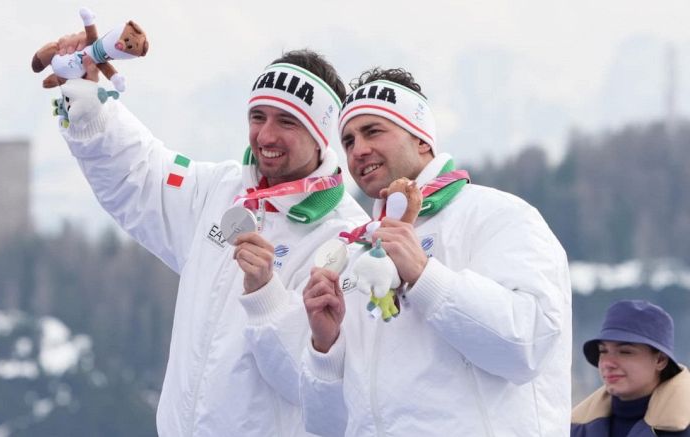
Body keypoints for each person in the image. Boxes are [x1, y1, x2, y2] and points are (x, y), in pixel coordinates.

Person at [51, 34, 368, 437]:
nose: (266, 136)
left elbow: (323, 397)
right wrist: (83, 95)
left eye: (287, 121)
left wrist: (265, 294)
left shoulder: (348, 241)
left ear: (322, 135)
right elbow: (139, 174)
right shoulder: (219, 190)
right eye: (258, 117)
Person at [298, 68, 572, 436]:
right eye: (348, 141)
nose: (358, 150)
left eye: (373, 131)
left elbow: (528, 346)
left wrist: (425, 276)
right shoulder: (361, 252)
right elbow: (327, 426)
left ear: (422, 140)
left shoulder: (498, 215)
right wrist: (325, 346)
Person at [571, 299, 690, 437]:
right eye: (603, 351)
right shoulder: (574, 429)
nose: (607, 363)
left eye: (625, 352)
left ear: (660, 360)